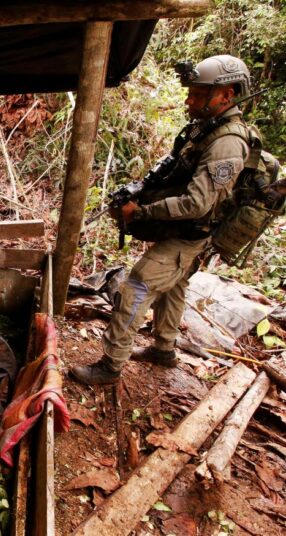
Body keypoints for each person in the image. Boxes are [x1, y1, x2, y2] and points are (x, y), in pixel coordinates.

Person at [70, 54, 252, 385]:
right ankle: (164, 349)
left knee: (137, 287)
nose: (189, 100)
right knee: (174, 286)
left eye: (198, 94)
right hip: (181, 230)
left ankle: (110, 366)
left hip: (191, 233)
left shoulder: (227, 142)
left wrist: (141, 212)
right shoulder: (208, 129)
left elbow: (197, 203)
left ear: (227, 94)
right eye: (191, 92)